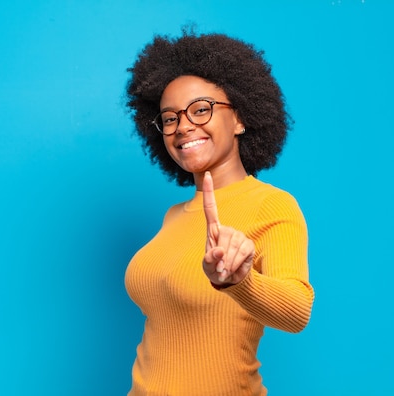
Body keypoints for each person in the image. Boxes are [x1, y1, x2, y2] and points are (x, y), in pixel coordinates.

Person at [123, 29, 314, 396]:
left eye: (201, 109)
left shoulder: (272, 204)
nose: (183, 126)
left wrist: (238, 280)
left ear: (240, 119)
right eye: (169, 118)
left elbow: (297, 311)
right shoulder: (174, 215)